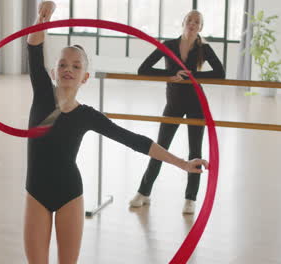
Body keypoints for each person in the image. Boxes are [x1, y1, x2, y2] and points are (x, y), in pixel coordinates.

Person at [24, 2, 209, 263]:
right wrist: (42, 19)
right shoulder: (43, 95)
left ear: (85, 77)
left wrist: (182, 163)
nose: (68, 69)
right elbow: (34, 49)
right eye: (63, 64)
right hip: (36, 194)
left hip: (69, 195)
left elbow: (136, 141)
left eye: (76, 67)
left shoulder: (87, 115)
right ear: (53, 72)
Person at [130, 10, 225, 214]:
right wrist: (171, 74)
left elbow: (220, 73)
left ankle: (190, 198)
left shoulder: (203, 48)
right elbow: (143, 69)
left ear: (201, 27)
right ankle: (143, 192)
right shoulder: (169, 45)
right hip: (173, 104)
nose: (192, 23)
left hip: (196, 104)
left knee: (195, 151)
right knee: (160, 147)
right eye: (189, 20)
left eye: (197, 21)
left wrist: (192, 76)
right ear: (183, 23)